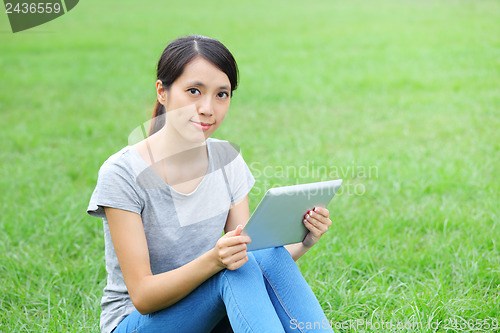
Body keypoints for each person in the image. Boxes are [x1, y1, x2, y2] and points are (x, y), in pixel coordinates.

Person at [87, 35, 334, 333]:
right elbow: (143, 296)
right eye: (194, 91)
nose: (208, 108)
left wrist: (304, 241)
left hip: (209, 307)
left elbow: (249, 258)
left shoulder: (226, 159)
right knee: (231, 271)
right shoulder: (123, 172)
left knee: (266, 254)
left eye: (222, 94)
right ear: (162, 92)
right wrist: (215, 260)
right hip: (139, 322)